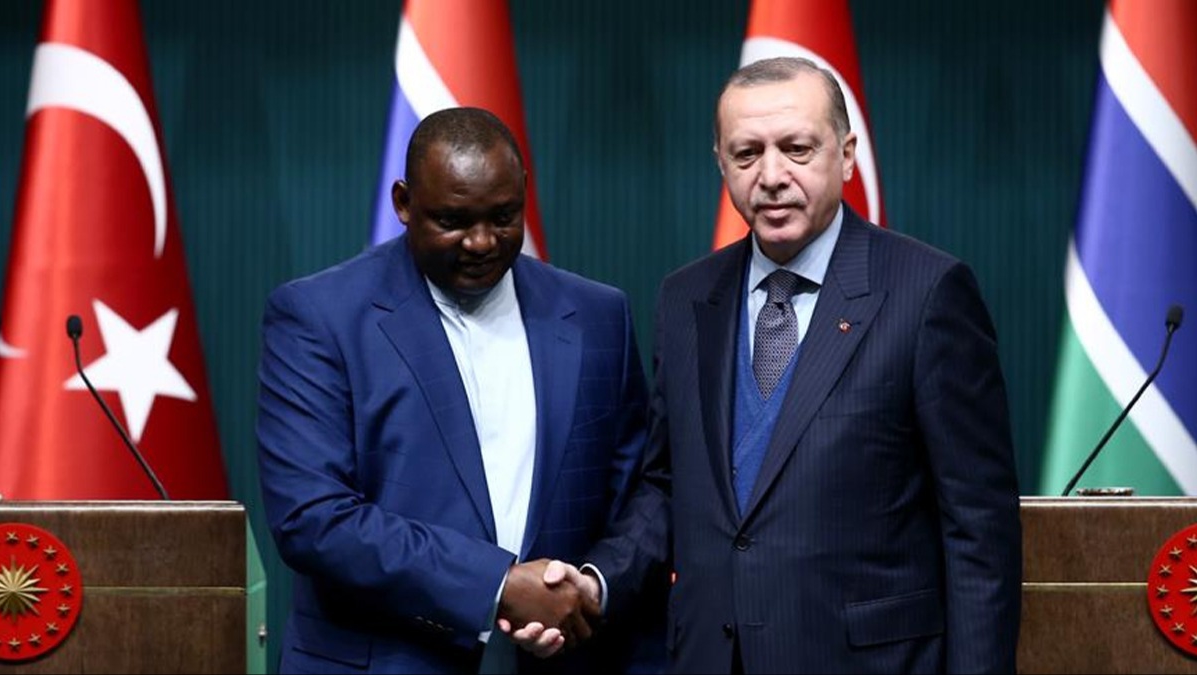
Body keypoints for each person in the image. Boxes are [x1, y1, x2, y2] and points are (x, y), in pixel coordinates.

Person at [519, 56, 1023, 673]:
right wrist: (597, 581)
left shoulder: (928, 293)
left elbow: (979, 530)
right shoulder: (686, 298)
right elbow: (668, 485)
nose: (772, 176)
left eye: (797, 149)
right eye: (747, 153)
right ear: (721, 163)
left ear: (847, 155)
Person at [256, 106, 659, 674]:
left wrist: (592, 585)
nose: (481, 242)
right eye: (452, 220)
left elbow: (642, 491)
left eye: (503, 217)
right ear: (403, 203)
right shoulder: (319, 317)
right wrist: (496, 586)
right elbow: (312, 517)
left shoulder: (598, 315)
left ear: (525, 192)